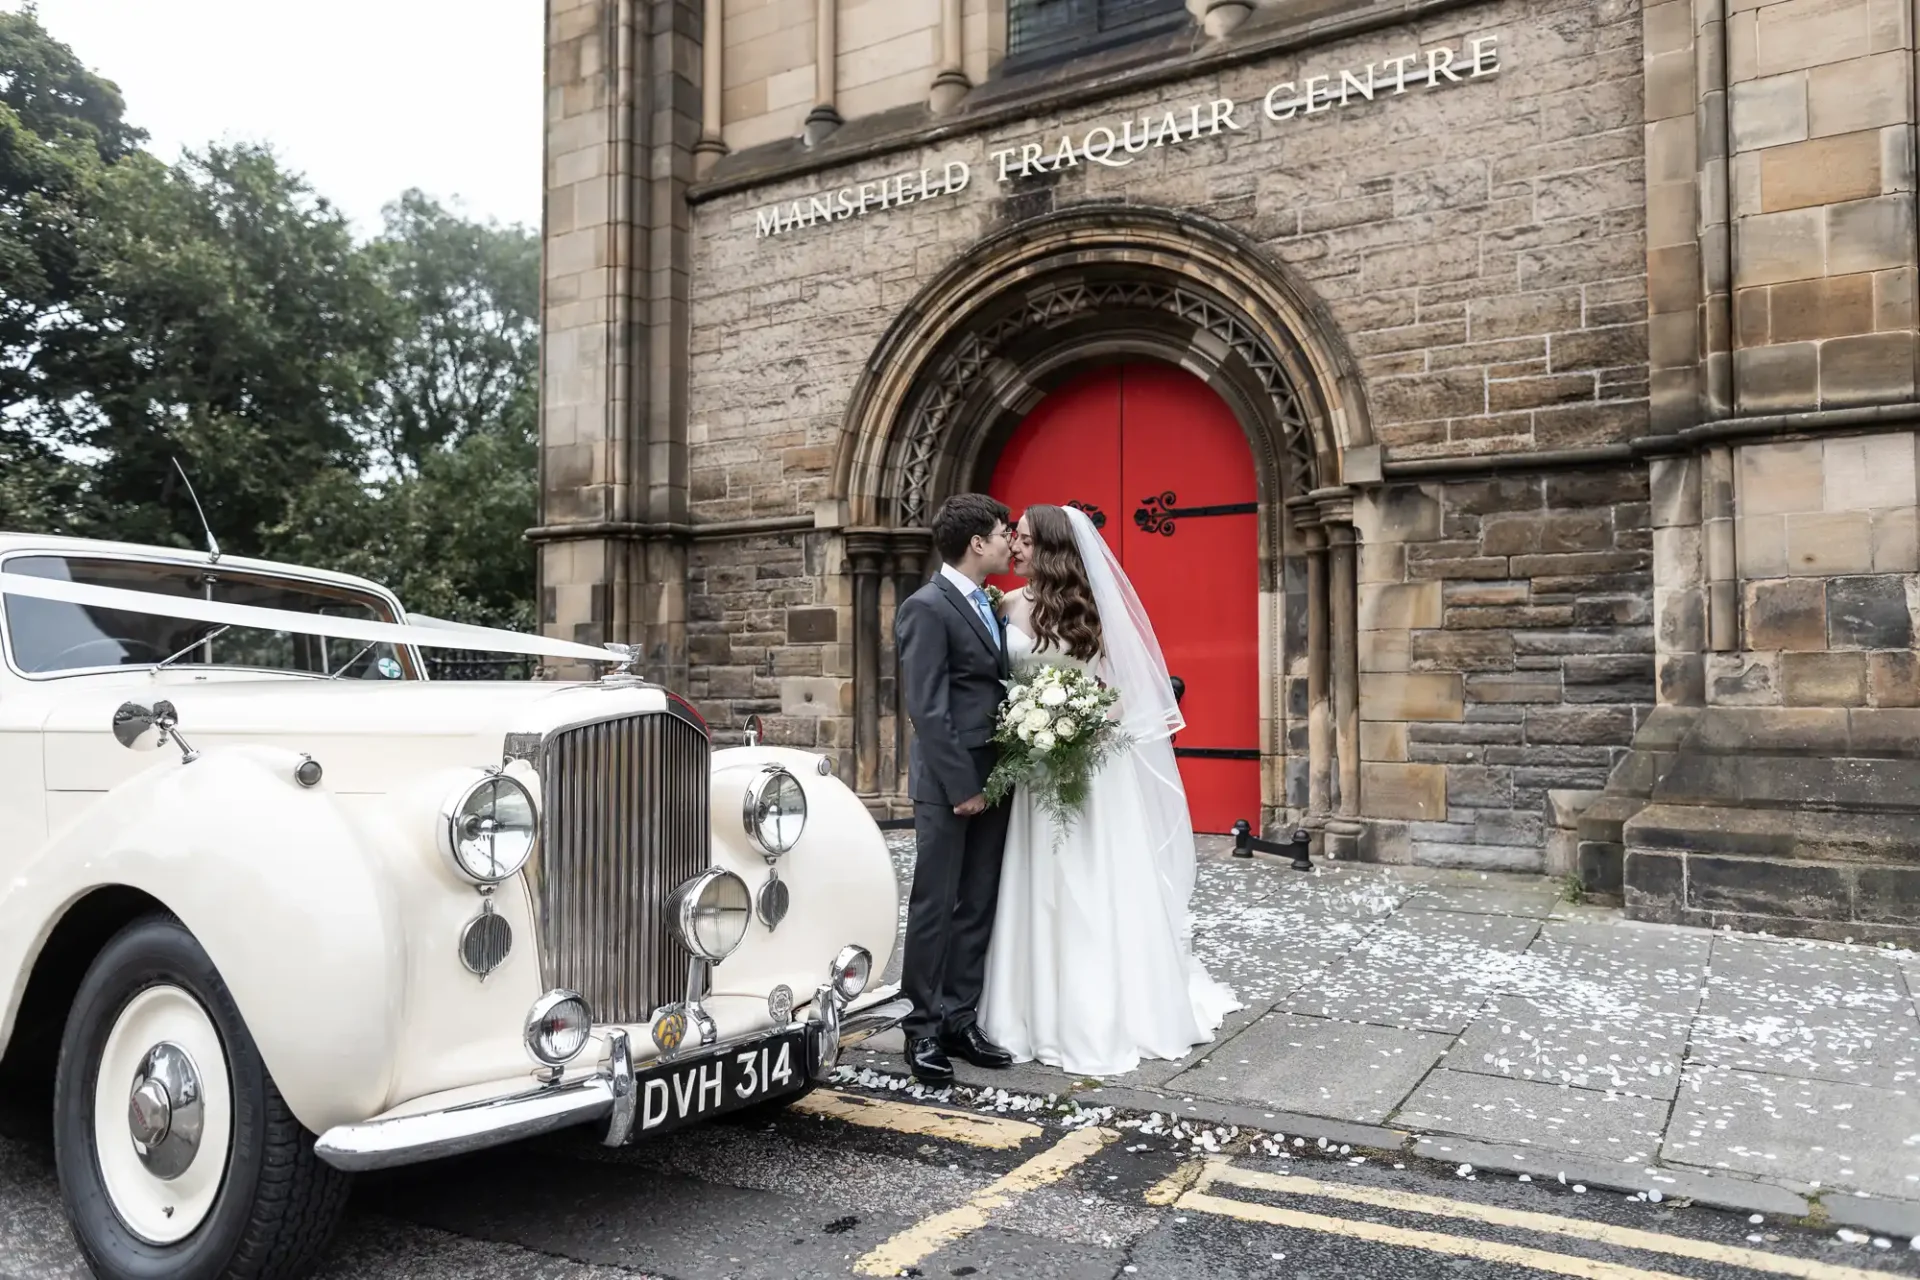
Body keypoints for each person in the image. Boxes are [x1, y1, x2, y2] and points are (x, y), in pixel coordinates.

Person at [980, 502, 1240, 1077]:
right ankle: (1031, 1010)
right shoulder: (1002, 607)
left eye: (1022, 540)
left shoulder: (1093, 607)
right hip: (1033, 773)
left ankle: (1104, 1009)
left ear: (1049, 547)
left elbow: (1127, 693)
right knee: (1040, 882)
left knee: (1094, 879)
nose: (1014, 548)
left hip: (1090, 767)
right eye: (1012, 539)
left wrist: (1079, 721)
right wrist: (1032, 727)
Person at [894, 493, 1019, 1085]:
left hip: (995, 773)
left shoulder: (987, 604)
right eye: (1002, 532)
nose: (1008, 541)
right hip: (952, 782)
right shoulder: (926, 606)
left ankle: (959, 1018)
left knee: (978, 901)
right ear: (977, 543)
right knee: (935, 905)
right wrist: (962, 785)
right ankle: (919, 1028)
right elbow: (928, 707)